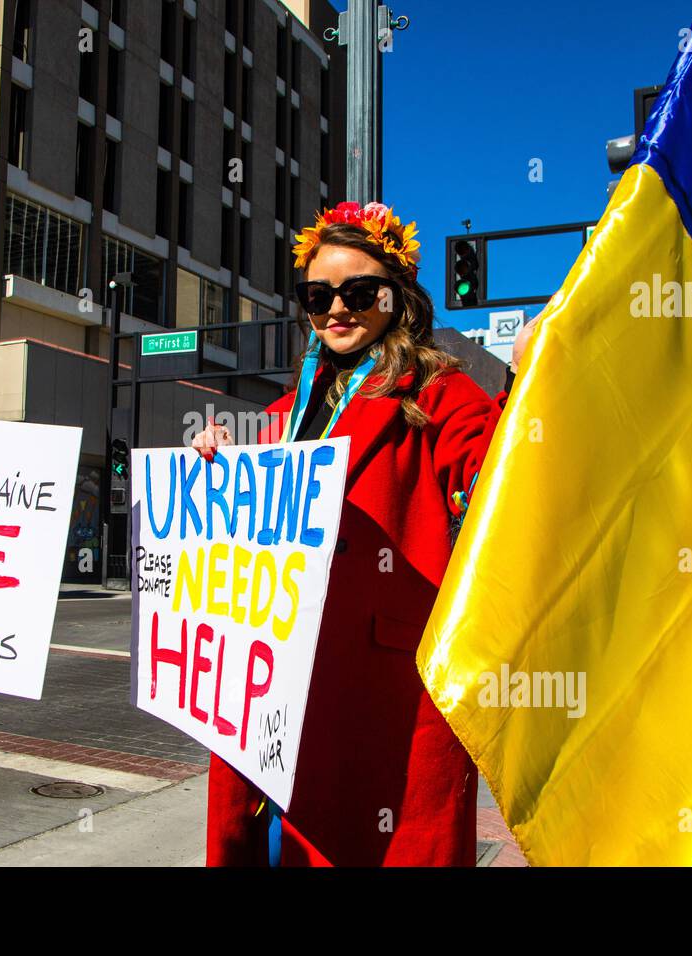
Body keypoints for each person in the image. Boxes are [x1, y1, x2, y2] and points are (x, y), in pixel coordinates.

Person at [191, 201, 535, 866]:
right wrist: (214, 454)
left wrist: (528, 384)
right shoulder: (292, 406)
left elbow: (509, 472)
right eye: (319, 295)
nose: (338, 309)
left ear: (397, 295)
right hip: (282, 681)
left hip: (384, 691)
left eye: (359, 291)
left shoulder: (439, 390)